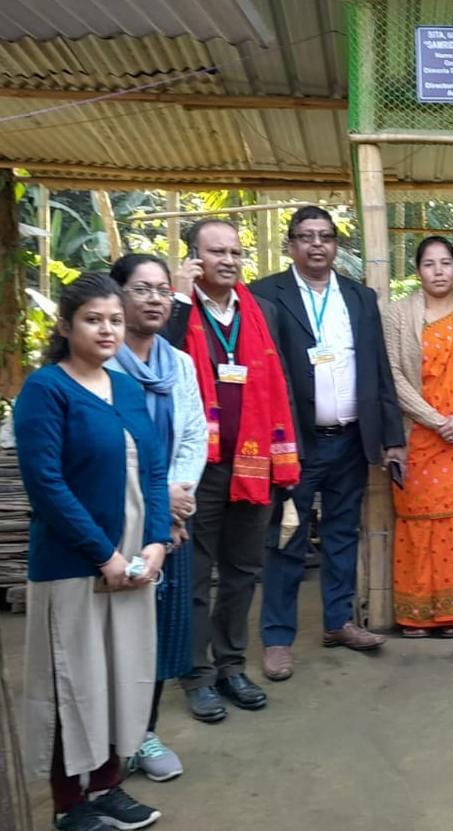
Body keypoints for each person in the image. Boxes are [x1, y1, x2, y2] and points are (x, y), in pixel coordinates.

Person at [15, 273, 170, 831]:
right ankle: (67, 803)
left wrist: (154, 543)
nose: (107, 330)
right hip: (73, 565)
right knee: (71, 681)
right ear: (65, 326)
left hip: (133, 563)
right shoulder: (45, 390)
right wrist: (103, 555)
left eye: (113, 320)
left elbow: (153, 470)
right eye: (92, 319)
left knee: (119, 675)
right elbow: (46, 485)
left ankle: (107, 786)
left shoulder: (127, 389)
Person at [250, 206, 407, 680]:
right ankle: (277, 639)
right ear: (290, 244)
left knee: (341, 535)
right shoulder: (265, 296)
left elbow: (379, 370)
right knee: (287, 540)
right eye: (306, 237)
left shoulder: (359, 298)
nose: (317, 245)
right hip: (295, 444)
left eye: (325, 237)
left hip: (351, 440)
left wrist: (393, 439)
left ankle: (338, 622)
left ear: (337, 245)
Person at [174, 219, 300, 722]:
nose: (227, 260)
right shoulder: (178, 310)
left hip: (252, 464)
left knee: (244, 571)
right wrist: (180, 300)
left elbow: (280, 386)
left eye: (235, 251)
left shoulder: (261, 311)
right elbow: (159, 364)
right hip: (197, 467)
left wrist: (285, 464)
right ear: (193, 259)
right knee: (197, 575)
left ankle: (231, 666)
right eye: (215, 251)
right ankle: (196, 675)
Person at [107, 255, 207, 782]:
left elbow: (194, 433)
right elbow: (110, 448)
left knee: (160, 630)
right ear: (117, 294)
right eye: (140, 288)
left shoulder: (180, 364)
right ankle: (106, 741)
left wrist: (178, 493)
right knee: (116, 631)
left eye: (162, 290)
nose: (153, 299)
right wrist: (158, 500)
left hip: (173, 518)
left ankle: (143, 734)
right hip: (119, 517)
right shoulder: (103, 364)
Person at [383, 236, 453, 637]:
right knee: (417, 521)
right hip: (418, 437)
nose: (439, 271)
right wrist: (432, 417)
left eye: (446, 263)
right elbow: (392, 374)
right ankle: (417, 613)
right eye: (430, 264)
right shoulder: (396, 316)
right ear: (417, 271)